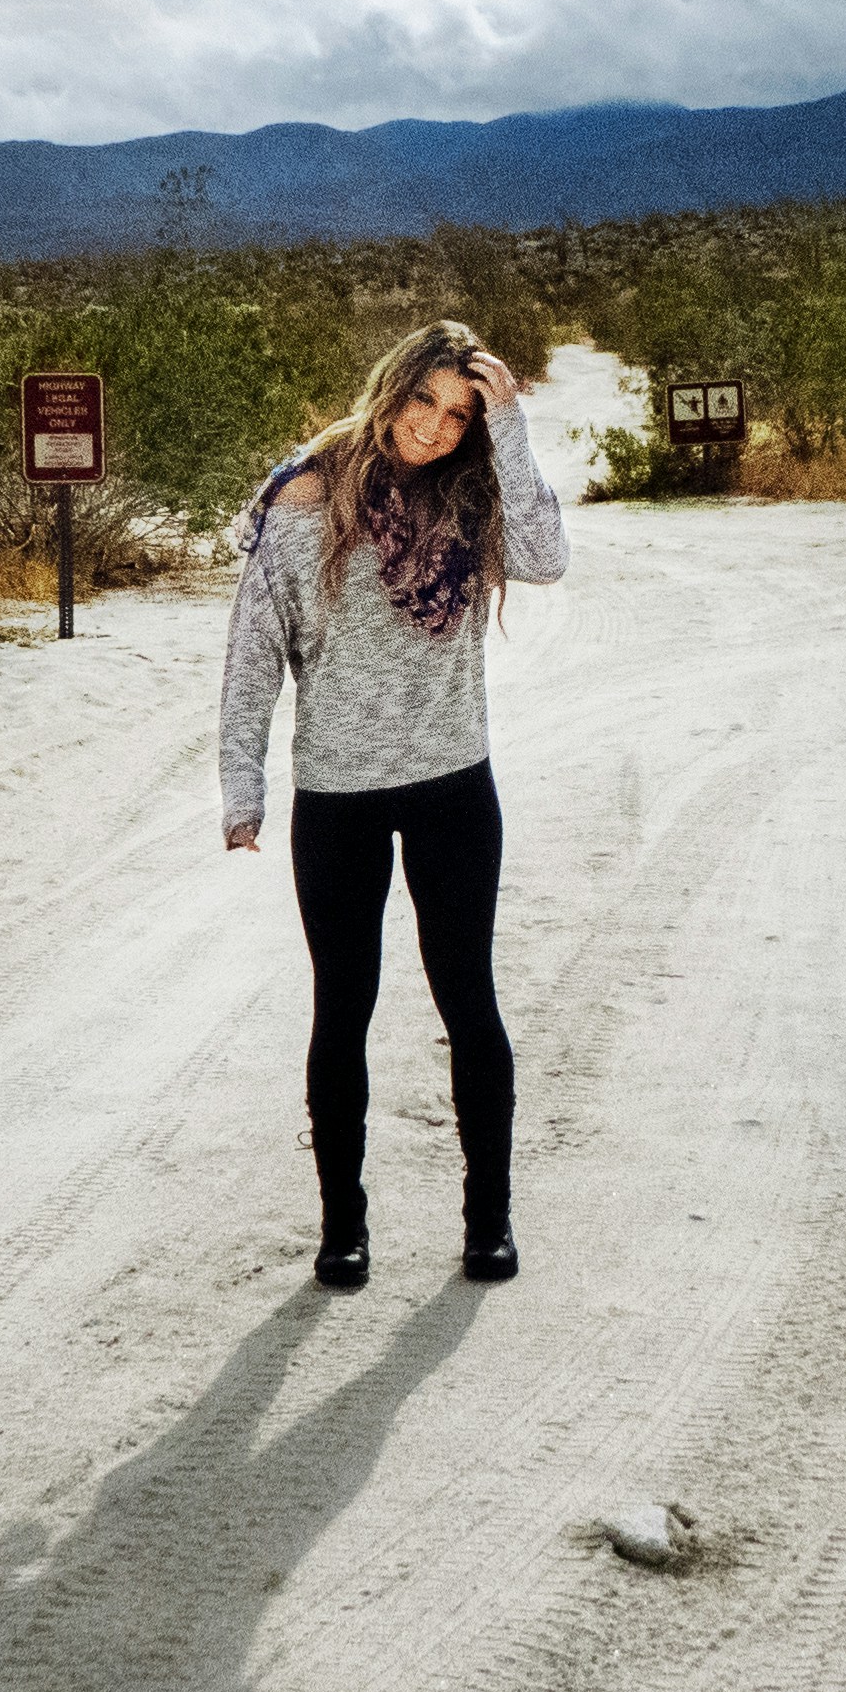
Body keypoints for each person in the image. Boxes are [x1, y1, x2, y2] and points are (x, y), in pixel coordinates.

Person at [220, 320, 568, 1290]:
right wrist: (242, 782)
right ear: (392, 388)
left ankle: (488, 1222)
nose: (436, 428)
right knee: (344, 1009)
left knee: (470, 1002)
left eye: (460, 414)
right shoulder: (304, 497)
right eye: (426, 401)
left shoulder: (475, 491)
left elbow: (545, 561)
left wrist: (511, 428)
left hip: (454, 782)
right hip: (338, 795)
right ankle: (344, 1229)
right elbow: (258, 649)